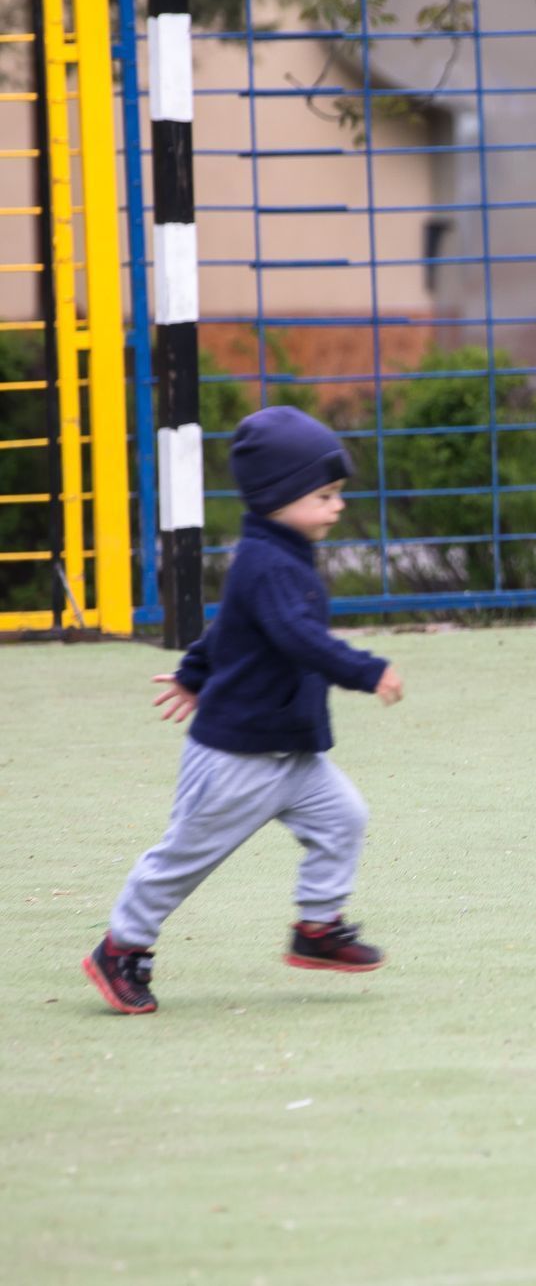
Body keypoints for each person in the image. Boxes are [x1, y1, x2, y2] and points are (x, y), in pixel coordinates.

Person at [84, 406, 405, 1016]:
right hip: (235, 757)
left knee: (345, 819)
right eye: (325, 494)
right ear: (278, 499)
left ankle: (316, 927)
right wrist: (367, 671)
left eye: (338, 493)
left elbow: (231, 628)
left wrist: (193, 672)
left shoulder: (281, 554)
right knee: (182, 860)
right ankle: (120, 949)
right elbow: (296, 638)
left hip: (290, 752)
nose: (337, 506)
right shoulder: (268, 564)